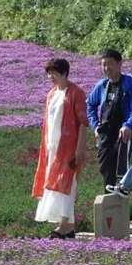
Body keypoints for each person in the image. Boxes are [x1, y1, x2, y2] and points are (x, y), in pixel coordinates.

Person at [33, 58, 88, 238]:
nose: (51, 77)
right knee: (55, 184)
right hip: (53, 148)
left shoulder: (76, 93)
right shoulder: (51, 94)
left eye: (54, 73)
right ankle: (66, 225)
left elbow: (82, 123)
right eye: (49, 73)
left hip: (69, 148)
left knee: (68, 183)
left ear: (64, 73)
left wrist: (80, 149)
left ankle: (64, 225)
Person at [86, 48, 132, 189]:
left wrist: (129, 125)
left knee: (123, 175)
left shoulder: (129, 84)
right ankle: (108, 203)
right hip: (106, 135)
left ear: (119, 64)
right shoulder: (101, 85)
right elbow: (90, 105)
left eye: (110, 64)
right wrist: (95, 126)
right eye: (103, 64)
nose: (106, 68)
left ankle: (121, 205)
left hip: (124, 135)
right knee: (106, 171)